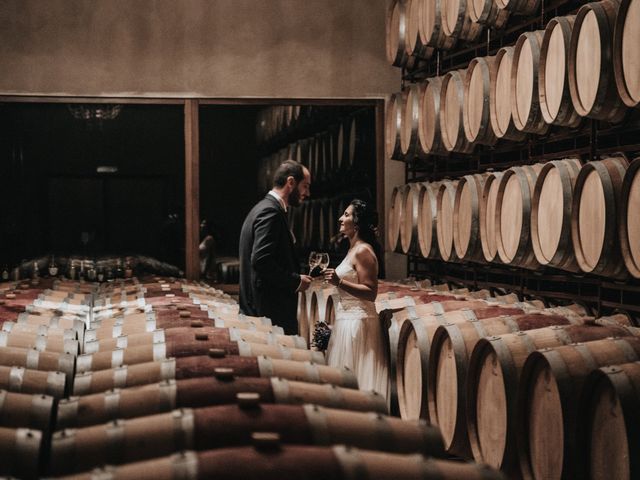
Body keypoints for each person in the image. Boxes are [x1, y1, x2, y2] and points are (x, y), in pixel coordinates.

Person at [323, 199, 389, 400]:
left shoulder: (363, 251)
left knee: (358, 384)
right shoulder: (353, 249)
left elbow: (370, 292)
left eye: (347, 215)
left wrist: (338, 282)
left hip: (359, 324)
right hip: (347, 322)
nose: (341, 218)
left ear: (357, 222)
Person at [239, 160, 313, 335]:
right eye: (305, 186)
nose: (307, 193)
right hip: (269, 315)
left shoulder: (263, 208)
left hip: (264, 313)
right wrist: (295, 281)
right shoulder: (270, 212)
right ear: (291, 183)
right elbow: (261, 261)